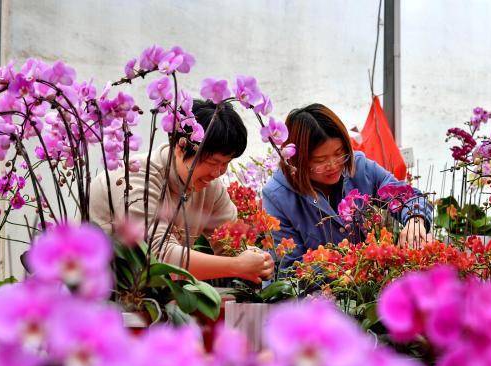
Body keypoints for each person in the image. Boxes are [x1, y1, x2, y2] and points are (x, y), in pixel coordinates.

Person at [90, 100, 273, 283]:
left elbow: (233, 243)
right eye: (212, 163)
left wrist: (257, 260)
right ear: (180, 146)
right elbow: (159, 259)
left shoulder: (210, 186)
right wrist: (238, 266)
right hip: (100, 295)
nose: (217, 173)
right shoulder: (135, 178)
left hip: (154, 296)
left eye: (225, 164)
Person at [262, 103, 432, 268]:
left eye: (339, 153)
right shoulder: (277, 196)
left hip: (362, 285)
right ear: (296, 160)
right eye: (320, 161)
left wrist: (415, 219)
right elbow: (290, 268)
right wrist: (356, 263)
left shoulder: (358, 167)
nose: (333, 165)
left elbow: (409, 196)